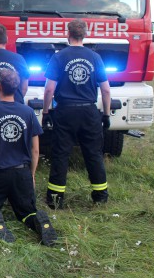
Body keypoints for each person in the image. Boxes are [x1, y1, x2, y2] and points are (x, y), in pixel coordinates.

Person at [0, 69, 57, 246]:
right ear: (17, 87)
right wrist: (32, 174)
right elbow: (35, 150)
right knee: (26, 212)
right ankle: (37, 221)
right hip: (22, 173)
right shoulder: (27, 112)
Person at [42, 19, 111, 209]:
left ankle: (55, 199)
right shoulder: (95, 58)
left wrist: (46, 111)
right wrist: (105, 114)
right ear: (85, 35)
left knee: (61, 154)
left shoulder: (59, 57)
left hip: (65, 111)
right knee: (93, 153)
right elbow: (105, 90)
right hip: (89, 111)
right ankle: (100, 196)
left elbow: (49, 89)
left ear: (68, 34)